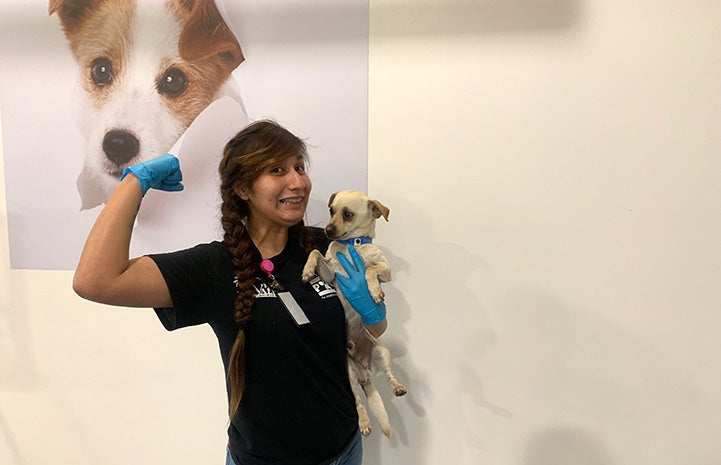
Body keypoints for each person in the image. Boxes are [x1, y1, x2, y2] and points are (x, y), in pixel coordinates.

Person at [72, 120, 389, 465]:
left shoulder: (328, 247)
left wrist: (373, 315)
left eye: (299, 166)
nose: (297, 181)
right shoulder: (216, 266)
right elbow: (95, 280)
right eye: (277, 169)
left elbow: (366, 335)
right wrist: (136, 181)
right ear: (242, 188)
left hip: (343, 450)